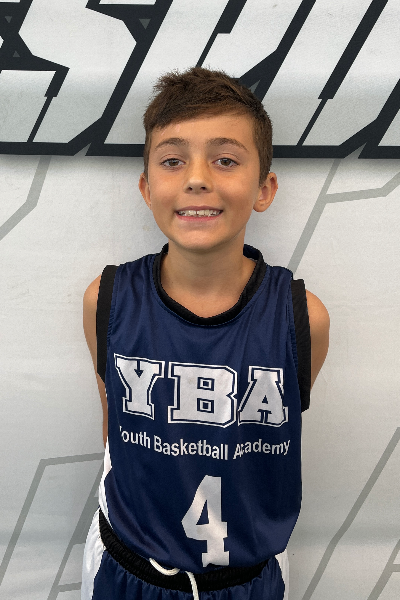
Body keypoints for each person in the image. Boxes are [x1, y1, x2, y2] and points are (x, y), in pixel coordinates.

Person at [81, 66, 329, 600]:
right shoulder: (107, 299)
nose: (197, 178)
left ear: (264, 188)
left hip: (246, 579)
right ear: (147, 187)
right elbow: (115, 428)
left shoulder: (302, 317)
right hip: (126, 569)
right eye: (173, 160)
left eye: (225, 160)